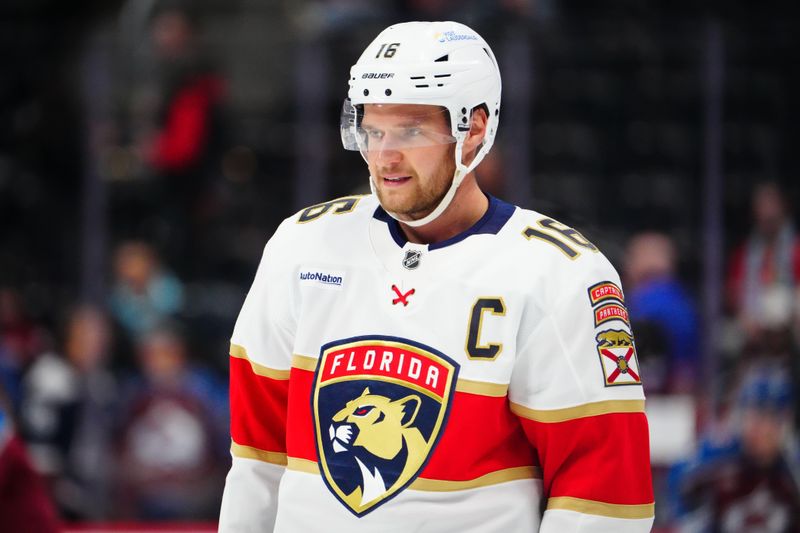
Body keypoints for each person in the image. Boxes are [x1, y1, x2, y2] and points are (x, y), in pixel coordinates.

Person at [219, 21, 653, 532]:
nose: (385, 156)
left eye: (411, 131)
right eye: (373, 131)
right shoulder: (301, 246)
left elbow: (604, 499)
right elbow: (256, 462)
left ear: (474, 130)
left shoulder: (560, 273)